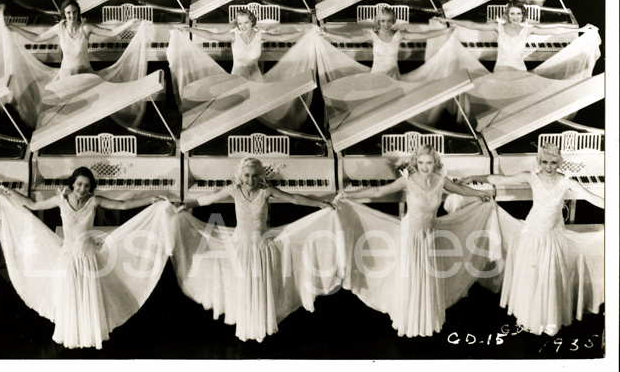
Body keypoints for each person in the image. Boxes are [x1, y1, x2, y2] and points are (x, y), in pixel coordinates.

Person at [0, 169, 174, 349]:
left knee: (88, 296)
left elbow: (124, 205)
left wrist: (152, 200)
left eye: (86, 185)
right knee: (70, 296)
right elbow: (32, 205)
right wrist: (8, 191)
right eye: (79, 184)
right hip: (69, 258)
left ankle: (88, 334)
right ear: (73, 183)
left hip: (88, 258)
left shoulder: (94, 201)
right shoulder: (61, 200)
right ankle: (73, 334)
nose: (82, 188)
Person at [336, 145, 494, 337]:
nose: (424, 167)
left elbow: (460, 189)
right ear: (415, 163)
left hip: (430, 236)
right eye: (420, 163)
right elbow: (379, 191)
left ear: (435, 163)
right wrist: (349, 195)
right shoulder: (408, 180)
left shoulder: (440, 179)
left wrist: (479, 194)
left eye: (428, 163)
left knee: (427, 276)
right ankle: (410, 321)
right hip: (411, 236)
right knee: (412, 276)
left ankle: (425, 321)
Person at [173, 157, 332, 341]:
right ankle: (247, 327)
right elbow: (208, 199)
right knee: (244, 286)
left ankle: (261, 326)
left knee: (259, 286)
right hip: (240, 246)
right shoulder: (234, 189)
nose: (250, 179)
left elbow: (294, 198)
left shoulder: (266, 191)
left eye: (255, 175)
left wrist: (320, 204)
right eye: (247, 175)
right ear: (241, 175)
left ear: (260, 176)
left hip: (260, 247)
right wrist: (188, 204)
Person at [458, 142, 606, 336]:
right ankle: (531, 317)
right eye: (545, 162)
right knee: (532, 275)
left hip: (552, 237)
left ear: (559, 162)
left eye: (553, 162)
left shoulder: (566, 181)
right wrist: (472, 177)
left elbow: (593, 198)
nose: (549, 167)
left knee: (549, 276)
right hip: (532, 234)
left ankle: (548, 318)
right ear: (539, 161)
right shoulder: (532, 177)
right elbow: (500, 179)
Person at [447, 0, 588, 72]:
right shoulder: (498, 27)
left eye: (518, 14)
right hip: (500, 71)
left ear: (523, 15)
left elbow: (555, 29)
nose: (515, 17)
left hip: (520, 71)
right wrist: (448, 20)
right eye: (512, 13)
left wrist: (581, 29)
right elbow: (473, 25)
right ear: (507, 15)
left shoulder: (528, 29)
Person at [319, 5, 453, 79]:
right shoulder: (372, 35)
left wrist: (445, 32)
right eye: (383, 21)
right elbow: (349, 39)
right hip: (377, 77)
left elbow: (424, 35)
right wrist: (327, 34)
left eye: (389, 21)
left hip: (394, 77)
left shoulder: (399, 35)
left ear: (393, 21)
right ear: (378, 21)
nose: (386, 24)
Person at [27, 0, 142, 78]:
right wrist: (14, 29)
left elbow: (111, 33)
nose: (72, 16)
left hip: (85, 74)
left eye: (74, 12)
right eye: (68, 13)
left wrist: (129, 23)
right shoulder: (59, 28)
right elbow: (37, 38)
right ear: (64, 14)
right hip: (66, 77)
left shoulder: (86, 27)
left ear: (78, 12)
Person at [185, 8, 290, 80]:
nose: (243, 26)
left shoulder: (259, 35)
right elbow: (210, 35)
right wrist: (189, 29)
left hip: (255, 78)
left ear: (252, 22)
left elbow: (281, 38)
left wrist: (304, 32)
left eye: (246, 22)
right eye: (240, 23)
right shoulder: (233, 36)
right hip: (237, 79)